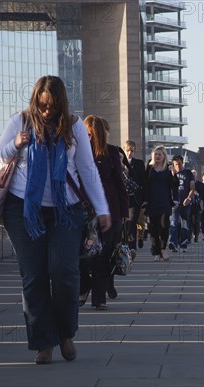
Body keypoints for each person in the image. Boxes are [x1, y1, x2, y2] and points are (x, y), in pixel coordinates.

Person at [0, 75, 111, 364]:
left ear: (61, 104)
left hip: (65, 211)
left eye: (52, 107)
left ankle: (65, 333)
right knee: (33, 277)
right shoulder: (19, 121)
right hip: (23, 210)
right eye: (42, 106)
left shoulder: (73, 126)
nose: (46, 112)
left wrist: (102, 207)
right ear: (35, 101)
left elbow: (86, 168)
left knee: (65, 273)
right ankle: (43, 342)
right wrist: (15, 145)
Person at [79, 115, 128, 309]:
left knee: (102, 255)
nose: (89, 138)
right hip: (82, 210)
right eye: (86, 134)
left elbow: (120, 183)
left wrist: (124, 211)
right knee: (80, 253)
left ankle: (99, 298)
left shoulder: (112, 152)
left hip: (109, 211)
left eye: (91, 134)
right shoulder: (77, 152)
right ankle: (84, 285)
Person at [143, 146, 173, 261]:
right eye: (156, 154)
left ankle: (163, 249)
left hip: (165, 201)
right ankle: (156, 251)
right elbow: (145, 184)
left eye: (160, 154)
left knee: (165, 225)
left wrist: (173, 174)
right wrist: (145, 200)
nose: (157, 156)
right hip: (152, 201)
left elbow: (173, 185)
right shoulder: (149, 167)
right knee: (153, 228)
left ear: (164, 156)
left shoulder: (168, 168)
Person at [168, 155, 195, 253]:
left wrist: (189, 198)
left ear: (182, 163)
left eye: (179, 164)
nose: (178, 166)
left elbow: (192, 188)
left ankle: (183, 243)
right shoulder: (171, 173)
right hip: (174, 203)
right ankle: (173, 243)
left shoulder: (188, 173)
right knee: (174, 222)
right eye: (176, 164)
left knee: (184, 223)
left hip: (185, 203)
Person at [123, 140, 146, 250]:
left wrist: (145, 199)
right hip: (122, 199)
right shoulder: (120, 162)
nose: (129, 153)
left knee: (132, 223)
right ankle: (124, 246)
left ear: (134, 150)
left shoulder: (139, 163)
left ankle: (132, 248)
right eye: (127, 150)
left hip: (134, 198)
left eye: (131, 150)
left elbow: (143, 182)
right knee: (124, 225)